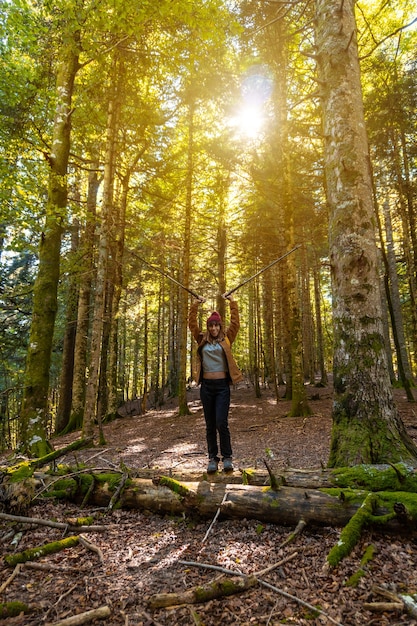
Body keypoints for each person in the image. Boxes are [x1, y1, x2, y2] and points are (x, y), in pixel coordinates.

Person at [188, 294, 243, 473]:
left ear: (220, 326)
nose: (213, 328)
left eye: (216, 325)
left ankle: (227, 457)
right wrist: (195, 305)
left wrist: (232, 302)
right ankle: (212, 458)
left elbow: (236, 323)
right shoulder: (201, 339)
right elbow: (192, 324)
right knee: (210, 424)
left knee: (221, 422)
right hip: (207, 389)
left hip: (222, 388)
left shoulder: (226, 339)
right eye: (210, 325)